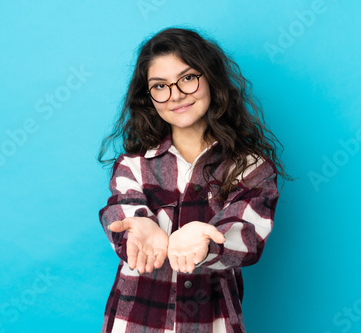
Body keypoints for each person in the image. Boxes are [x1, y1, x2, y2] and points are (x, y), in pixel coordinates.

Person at [98, 27, 289, 333]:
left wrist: (205, 241)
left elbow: (248, 235)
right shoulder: (133, 165)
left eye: (187, 78)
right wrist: (138, 226)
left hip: (212, 323)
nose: (175, 95)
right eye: (160, 86)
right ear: (148, 97)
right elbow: (121, 209)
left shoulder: (251, 167)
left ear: (211, 79)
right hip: (134, 322)